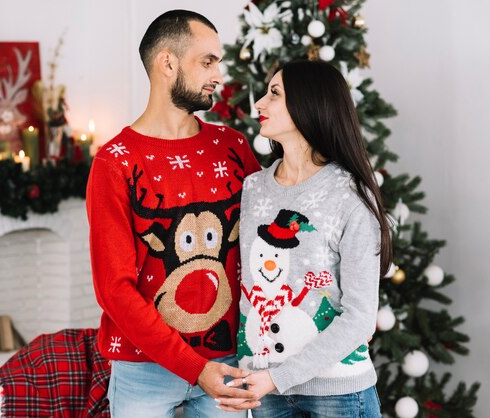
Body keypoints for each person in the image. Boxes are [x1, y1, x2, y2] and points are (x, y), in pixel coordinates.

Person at [86, 9, 262, 417]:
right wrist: (192, 367)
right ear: (168, 63)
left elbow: (267, 239)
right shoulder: (115, 162)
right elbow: (114, 289)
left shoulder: (233, 147)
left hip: (228, 364)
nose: (218, 74)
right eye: (207, 61)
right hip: (143, 368)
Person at [216, 59, 392, 417]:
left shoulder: (350, 195)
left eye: (274, 94)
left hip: (337, 393)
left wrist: (279, 377)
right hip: (266, 392)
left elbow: (359, 318)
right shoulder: (253, 188)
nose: (259, 104)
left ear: (308, 104)